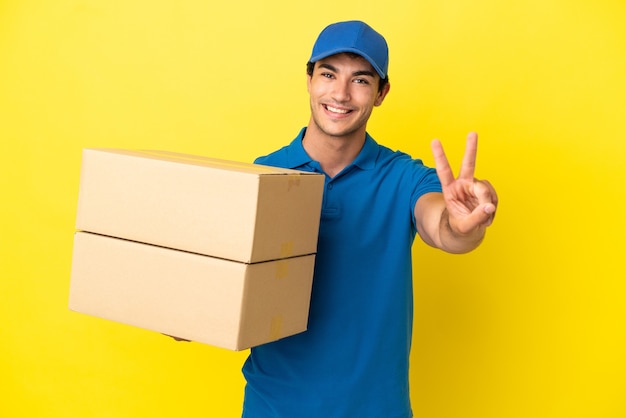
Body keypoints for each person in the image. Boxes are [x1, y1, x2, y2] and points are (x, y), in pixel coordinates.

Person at [241, 20, 498, 418]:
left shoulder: (406, 177)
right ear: (309, 79)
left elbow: (443, 228)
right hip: (274, 407)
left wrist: (463, 223)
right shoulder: (264, 176)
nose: (340, 94)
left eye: (360, 80)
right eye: (329, 74)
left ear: (381, 93)